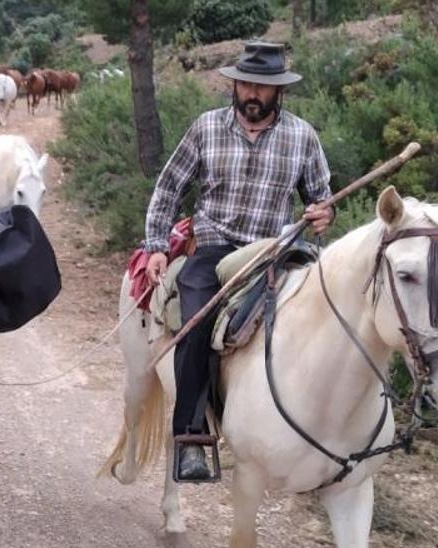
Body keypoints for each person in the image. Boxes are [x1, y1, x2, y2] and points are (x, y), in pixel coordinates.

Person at [142, 41, 335, 482]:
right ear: (234, 84)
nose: (252, 92)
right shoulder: (206, 128)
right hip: (214, 250)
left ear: (278, 91)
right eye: (245, 82)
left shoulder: (303, 136)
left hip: (275, 251)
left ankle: (312, 431)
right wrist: (156, 243)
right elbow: (169, 187)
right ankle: (191, 439)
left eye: (262, 86)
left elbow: (321, 199)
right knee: (195, 324)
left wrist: (325, 213)